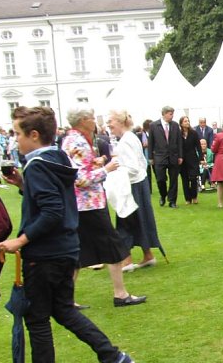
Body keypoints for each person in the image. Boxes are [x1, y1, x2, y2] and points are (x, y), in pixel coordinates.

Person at [0, 106, 136, 363]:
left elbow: (51, 211)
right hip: (65, 248)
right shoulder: (55, 158)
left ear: (34, 135)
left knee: (36, 317)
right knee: (63, 310)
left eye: (18, 134)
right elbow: (55, 200)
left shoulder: (39, 165)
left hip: (46, 253)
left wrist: (20, 240)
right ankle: (112, 358)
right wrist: (23, 185)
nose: (15, 140)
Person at [62, 108, 146, 307]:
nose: (95, 121)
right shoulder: (78, 142)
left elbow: (79, 169)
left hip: (82, 205)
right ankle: (120, 294)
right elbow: (80, 179)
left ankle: (67, 300)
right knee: (113, 247)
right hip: (89, 204)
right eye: (92, 118)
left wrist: (96, 163)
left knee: (78, 251)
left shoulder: (71, 139)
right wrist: (106, 169)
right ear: (83, 120)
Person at [107, 110, 162, 272]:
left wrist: (114, 170)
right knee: (140, 219)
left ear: (120, 121)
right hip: (138, 183)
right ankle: (147, 255)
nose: (108, 124)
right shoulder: (131, 137)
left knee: (126, 221)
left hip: (131, 186)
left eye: (111, 121)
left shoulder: (126, 141)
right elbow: (141, 163)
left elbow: (132, 167)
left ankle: (127, 260)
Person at [148, 105, 182, 208]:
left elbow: (179, 141)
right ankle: (163, 195)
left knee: (173, 180)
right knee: (160, 179)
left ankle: (172, 201)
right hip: (159, 156)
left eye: (172, 114)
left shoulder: (175, 125)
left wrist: (180, 156)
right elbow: (151, 142)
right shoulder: (154, 125)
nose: (172, 116)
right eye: (170, 114)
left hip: (173, 156)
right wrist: (150, 157)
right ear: (164, 114)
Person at [178, 115, 201, 205]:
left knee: (193, 178)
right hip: (182, 160)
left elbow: (198, 146)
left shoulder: (194, 133)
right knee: (185, 179)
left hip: (192, 158)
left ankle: (194, 196)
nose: (187, 122)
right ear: (181, 123)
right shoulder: (178, 134)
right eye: (185, 121)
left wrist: (201, 158)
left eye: (188, 121)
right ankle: (187, 199)